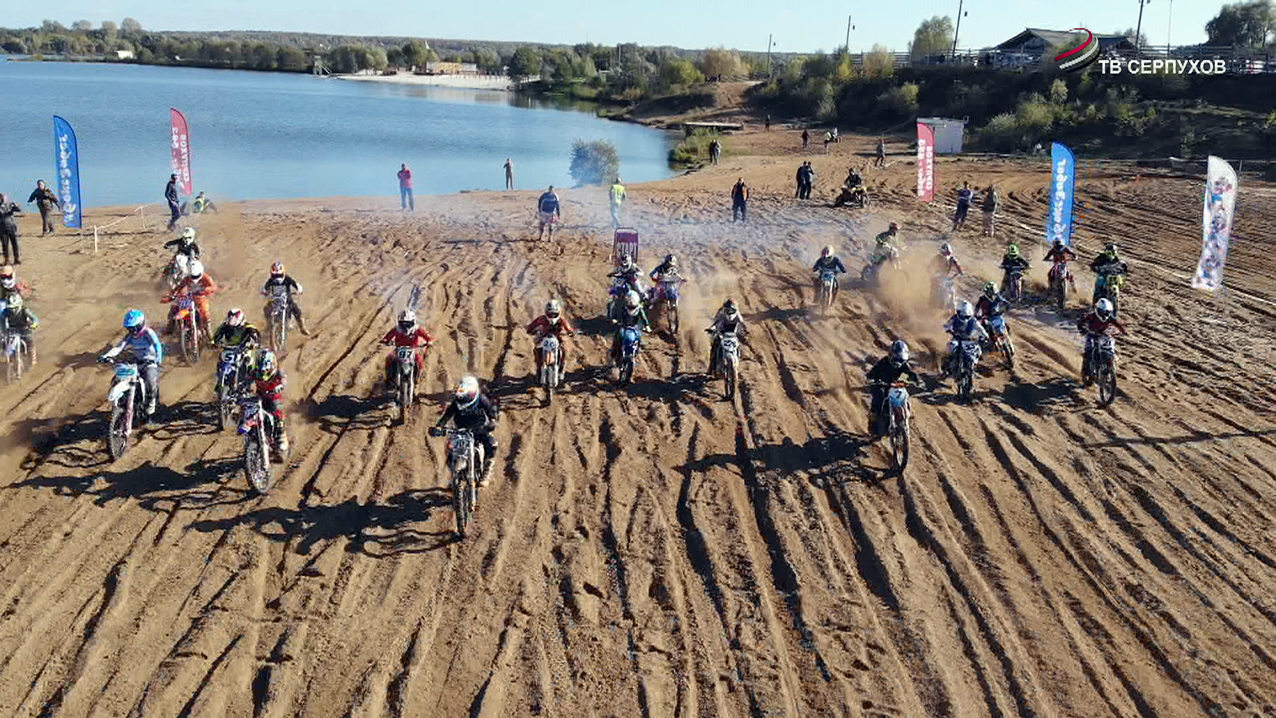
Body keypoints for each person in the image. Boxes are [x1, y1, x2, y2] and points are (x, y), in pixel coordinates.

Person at [430, 376, 500, 486]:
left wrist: (492, 421)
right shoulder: (456, 403)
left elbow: (492, 412)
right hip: (460, 430)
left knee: (491, 444)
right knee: (451, 448)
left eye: (466, 397)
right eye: (461, 397)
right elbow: (447, 415)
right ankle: (454, 474)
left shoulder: (482, 400)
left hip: (479, 429)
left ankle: (487, 471)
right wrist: (439, 427)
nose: (463, 400)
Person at [100, 310, 164, 422]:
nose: (133, 331)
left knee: (150, 381)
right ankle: (123, 401)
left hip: (149, 362)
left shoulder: (148, 333)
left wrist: (158, 358)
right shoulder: (129, 336)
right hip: (136, 361)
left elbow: (157, 344)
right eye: (130, 328)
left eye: (135, 327)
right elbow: (119, 347)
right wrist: (106, 355)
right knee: (118, 377)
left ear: (141, 324)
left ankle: (151, 405)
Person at [866, 340, 921, 437]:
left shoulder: (904, 365)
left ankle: (905, 414)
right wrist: (871, 379)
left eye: (901, 359)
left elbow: (911, 374)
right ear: (890, 355)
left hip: (895, 386)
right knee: (878, 399)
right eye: (896, 358)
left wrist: (918, 381)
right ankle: (873, 424)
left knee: (904, 396)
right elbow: (872, 373)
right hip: (882, 386)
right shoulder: (883, 362)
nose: (898, 362)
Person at [379, 309, 435, 391]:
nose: (405, 326)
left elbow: (428, 337)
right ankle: (389, 378)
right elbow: (388, 337)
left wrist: (429, 341)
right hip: (398, 349)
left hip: (412, 350)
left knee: (419, 360)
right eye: (403, 324)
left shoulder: (417, 329)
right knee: (389, 358)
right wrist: (385, 340)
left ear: (413, 321)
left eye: (408, 323)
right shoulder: (397, 329)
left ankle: (417, 377)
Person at [1077, 298, 1126, 384]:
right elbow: (1082, 322)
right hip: (1092, 335)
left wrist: (1123, 331)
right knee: (1088, 351)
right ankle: (1086, 370)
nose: (1104, 315)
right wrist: (1083, 328)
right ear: (1097, 310)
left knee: (1111, 348)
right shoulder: (1091, 316)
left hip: (1104, 335)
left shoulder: (1110, 317)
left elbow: (1117, 324)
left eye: (1106, 312)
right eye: (1102, 312)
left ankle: (1111, 365)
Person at [250, 349, 290, 455]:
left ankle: (281, 437)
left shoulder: (278, 372)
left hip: (274, 398)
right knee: (248, 411)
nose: (263, 374)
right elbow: (246, 380)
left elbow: (284, 381)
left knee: (278, 414)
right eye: (261, 371)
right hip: (260, 398)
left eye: (266, 371)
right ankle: (251, 436)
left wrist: (280, 386)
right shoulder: (254, 372)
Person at [166, 259, 218, 339]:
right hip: (190, 297)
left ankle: (210, 337)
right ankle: (170, 329)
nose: (194, 279)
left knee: (205, 313)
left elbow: (214, 286)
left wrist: (208, 289)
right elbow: (180, 287)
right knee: (174, 308)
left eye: (196, 276)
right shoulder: (186, 278)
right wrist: (173, 293)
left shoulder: (206, 278)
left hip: (201, 297)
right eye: (192, 276)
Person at [211, 308, 260, 392]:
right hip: (228, 349)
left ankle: (248, 383)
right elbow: (217, 335)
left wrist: (253, 343)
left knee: (248, 361)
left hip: (244, 349)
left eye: (234, 318)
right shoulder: (225, 326)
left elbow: (256, 336)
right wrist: (214, 343)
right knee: (221, 361)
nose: (232, 320)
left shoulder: (248, 327)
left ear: (239, 319)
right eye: (230, 318)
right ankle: (220, 380)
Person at [526, 299, 575, 375]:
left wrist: (570, 332)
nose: (552, 316)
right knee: (537, 349)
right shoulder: (542, 319)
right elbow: (532, 325)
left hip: (558, 338)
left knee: (564, 349)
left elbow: (568, 327)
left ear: (558, 312)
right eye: (550, 314)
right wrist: (530, 329)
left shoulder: (561, 320)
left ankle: (561, 366)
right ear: (546, 312)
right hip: (544, 338)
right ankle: (538, 367)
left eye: (554, 314)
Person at [260, 261, 310, 336]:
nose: (277, 278)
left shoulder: (287, 279)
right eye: (275, 276)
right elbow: (265, 287)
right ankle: (268, 325)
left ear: (283, 273)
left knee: (296, 310)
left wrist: (298, 289)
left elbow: (295, 284)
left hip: (287, 301)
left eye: (279, 275)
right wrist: (264, 291)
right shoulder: (270, 281)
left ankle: (302, 328)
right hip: (275, 301)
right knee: (266, 309)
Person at [941, 301, 987, 378]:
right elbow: (946, 325)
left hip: (969, 341)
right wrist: (948, 329)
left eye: (967, 316)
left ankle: (972, 369)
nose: (965, 318)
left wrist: (985, 336)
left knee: (978, 351)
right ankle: (947, 368)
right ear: (959, 312)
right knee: (951, 348)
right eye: (963, 315)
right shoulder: (954, 318)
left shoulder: (973, 321)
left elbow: (981, 329)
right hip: (957, 339)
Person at [706, 299, 746, 375]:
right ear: (724, 309)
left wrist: (745, 331)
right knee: (715, 345)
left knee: (739, 345)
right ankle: (711, 367)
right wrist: (712, 329)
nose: (730, 312)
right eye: (728, 310)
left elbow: (742, 323)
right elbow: (716, 323)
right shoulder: (721, 314)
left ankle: (737, 359)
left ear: (736, 309)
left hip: (733, 335)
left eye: (732, 310)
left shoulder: (737, 315)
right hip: (722, 333)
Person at [610, 289, 651, 365]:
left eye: (633, 301)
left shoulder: (639, 309)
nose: (631, 303)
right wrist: (615, 320)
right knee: (617, 337)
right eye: (630, 301)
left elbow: (643, 318)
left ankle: (635, 354)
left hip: (634, 328)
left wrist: (647, 326)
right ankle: (613, 355)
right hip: (623, 326)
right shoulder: (623, 308)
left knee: (638, 338)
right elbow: (617, 315)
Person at [1, 293, 39, 365]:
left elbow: (35, 319)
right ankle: (9, 357)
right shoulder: (5, 312)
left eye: (14, 307)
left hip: (24, 328)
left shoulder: (25, 310)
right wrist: (3, 331)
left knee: (29, 341)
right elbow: (2, 320)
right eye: (10, 308)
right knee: (5, 342)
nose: (13, 310)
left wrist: (34, 325)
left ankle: (32, 357)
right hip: (12, 330)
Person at [0, 194, 20, 266]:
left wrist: (15, 206)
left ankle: (16, 259)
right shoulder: (6, 206)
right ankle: (7, 260)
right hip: (3, 228)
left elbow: (18, 209)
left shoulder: (10, 205)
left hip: (10, 227)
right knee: (5, 245)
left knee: (14, 244)